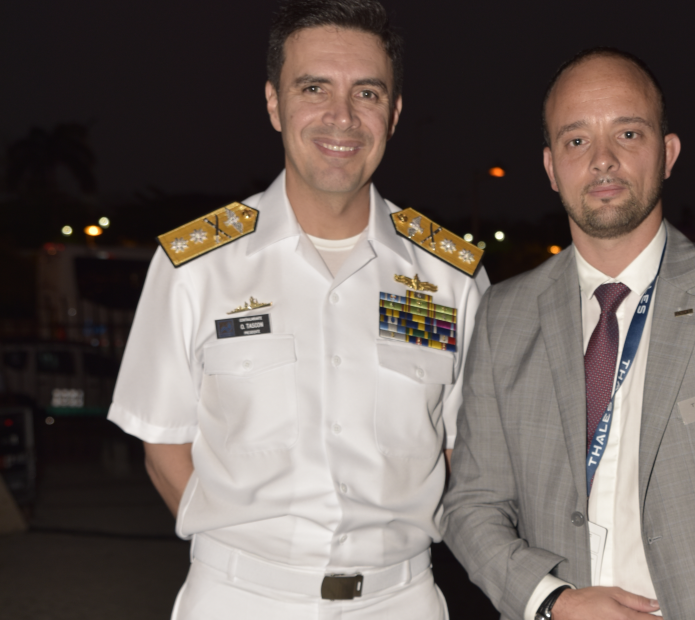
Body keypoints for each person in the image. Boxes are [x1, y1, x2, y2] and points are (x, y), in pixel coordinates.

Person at [107, 1, 487, 618]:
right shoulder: (197, 266)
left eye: (367, 93)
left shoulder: (451, 278)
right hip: (238, 600)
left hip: (400, 599)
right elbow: (163, 443)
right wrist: (260, 564)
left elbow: (462, 450)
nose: (342, 116)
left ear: (393, 113)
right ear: (273, 103)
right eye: (314, 88)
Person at [441, 48, 695, 620]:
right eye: (577, 140)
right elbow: (472, 504)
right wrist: (550, 600)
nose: (603, 159)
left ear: (668, 153)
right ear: (552, 167)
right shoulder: (503, 314)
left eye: (628, 134)